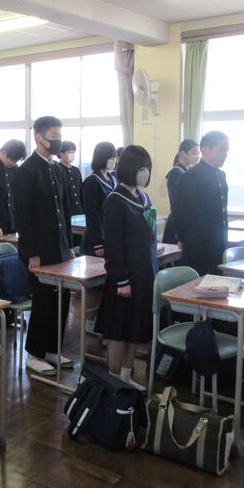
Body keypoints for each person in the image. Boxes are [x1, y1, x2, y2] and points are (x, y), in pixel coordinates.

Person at [14, 116, 75, 375]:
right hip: (38, 250)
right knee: (43, 301)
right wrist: (32, 253)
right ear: (39, 137)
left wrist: (68, 245)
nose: (58, 140)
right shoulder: (26, 171)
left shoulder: (58, 169)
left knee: (62, 298)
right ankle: (34, 353)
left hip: (60, 248)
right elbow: (23, 216)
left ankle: (52, 349)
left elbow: (64, 211)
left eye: (60, 135)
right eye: (54, 135)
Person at [94, 145, 157, 390]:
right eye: (142, 168)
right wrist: (122, 280)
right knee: (119, 331)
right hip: (125, 278)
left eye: (147, 168)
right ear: (130, 168)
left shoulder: (143, 197)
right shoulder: (115, 200)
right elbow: (113, 245)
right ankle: (114, 381)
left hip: (144, 274)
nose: (145, 173)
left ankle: (126, 377)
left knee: (135, 330)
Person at [174, 131, 229, 276]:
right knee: (199, 282)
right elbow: (181, 211)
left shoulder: (221, 174)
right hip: (199, 243)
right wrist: (181, 238)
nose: (225, 155)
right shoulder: (191, 176)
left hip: (219, 241)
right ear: (205, 150)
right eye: (221, 150)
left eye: (226, 150)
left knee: (218, 281)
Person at [82, 142, 118, 257]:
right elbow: (92, 214)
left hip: (111, 233)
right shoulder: (92, 181)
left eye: (114, 157)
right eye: (111, 157)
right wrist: (98, 243)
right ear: (102, 157)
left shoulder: (113, 179)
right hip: (97, 238)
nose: (114, 160)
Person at [161, 139, 199, 245]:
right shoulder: (176, 173)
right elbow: (177, 204)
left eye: (198, 153)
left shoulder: (189, 172)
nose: (197, 156)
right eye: (194, 153)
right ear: (183, 154)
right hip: (177, 225)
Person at [55, 140, 83, 216]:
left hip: (79, 211)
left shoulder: (76, 170)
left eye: (74, 152)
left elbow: (81, 191)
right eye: (70, 151)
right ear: (61, 154)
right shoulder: (57, 170)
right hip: (65, 213)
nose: (72, 154)